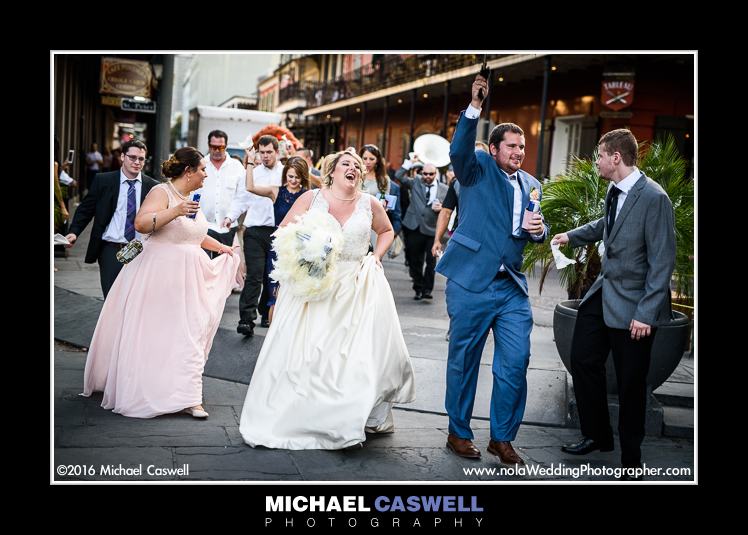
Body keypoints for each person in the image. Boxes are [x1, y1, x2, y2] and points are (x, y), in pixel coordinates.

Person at [239, 149, 416, 450]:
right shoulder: (312, 199)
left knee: (352, 354)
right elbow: (284, 233)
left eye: (357, 166)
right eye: (346, 164)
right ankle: (305, 411)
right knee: (311, 351)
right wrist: (306, 252)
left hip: (355, 285)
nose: (354, 168)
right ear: (331, 171)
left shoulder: (368, 202)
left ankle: (347, 412)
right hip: (314, 284)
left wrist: (377, 255)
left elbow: (385, 231)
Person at [436, 74, 548, 465]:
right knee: (464, 360)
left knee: (516, 361)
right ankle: (458, 432)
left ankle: (502, 437)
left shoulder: (533, 184)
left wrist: (540, 229)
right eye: (512, 146)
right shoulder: (478, 168)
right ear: (496, 148)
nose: (518, 152)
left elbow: (538, 225)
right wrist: (475, 108)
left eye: (522, 146)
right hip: (471, 282)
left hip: (511, 289)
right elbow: (459, 150)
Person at [80, 147, 241, 419]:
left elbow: (194, 235)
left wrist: (222, 247)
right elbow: (141, 224)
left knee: (191, 332)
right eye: (202, 169)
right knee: (159, 333)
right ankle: (151, 387)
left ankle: (189, 397)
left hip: (190, 277)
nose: (205, 174)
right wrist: (175, 211)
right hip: (160, 275)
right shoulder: (161, 193)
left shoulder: (191, 197)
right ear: (188, 171)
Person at [553, 129, 676, 480]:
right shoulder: (615, 189)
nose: (596, 163)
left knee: (631, 383)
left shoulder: (655, 198)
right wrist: (571, 236)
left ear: (615, 158)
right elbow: (607, 225)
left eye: (599, 157)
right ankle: (597, 435)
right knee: (582, 358)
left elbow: (663, 262)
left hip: (637, 306)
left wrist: (646, 313)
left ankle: (631, 458)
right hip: (605, 292)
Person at [65, 140, 159, 298]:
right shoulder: (104, 180)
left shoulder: (153, 186)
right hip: (111, 249)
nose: (137, 162)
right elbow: (86, 209)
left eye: (141, 159)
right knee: (111, 300)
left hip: (141, 250)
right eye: (132, 157)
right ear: (122, 156)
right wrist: (74, 232)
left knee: (136, 300)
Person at [225, 135, 283, 336]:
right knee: (254, 276)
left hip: (279, 231)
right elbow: (241, 200)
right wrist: (230, 217)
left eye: (269, 152)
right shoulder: (252, 174)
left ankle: (268, 313)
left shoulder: (285, 173)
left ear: (277, 152)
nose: (266, 156)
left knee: (273, 276)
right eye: (262, 152)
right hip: (255, 230)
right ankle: (246, 320)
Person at [244, 151, 309, 325]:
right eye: (290, 176)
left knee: (295, 296)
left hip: (299, 250)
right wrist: (250, 162)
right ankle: (272, 339)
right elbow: (250, 187)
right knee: (275, 296)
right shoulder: (276, 191)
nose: (294, 180)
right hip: (278, 249)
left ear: (303, 177)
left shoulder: (308, 195)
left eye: (298, 177)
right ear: (285, 174)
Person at [398, 161, 447, 300]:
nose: (427, 176)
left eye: (430, 174)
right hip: (414, 227)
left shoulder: (444, 188)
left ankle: (427, 290)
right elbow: (399, 175)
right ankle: (418, 287)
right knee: (415, 260)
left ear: (435, 173)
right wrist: (410, 163)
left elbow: (450, 207)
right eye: (424, 173)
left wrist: (442, 207)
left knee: (431, 262)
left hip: (433, 229)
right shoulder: (416, 182)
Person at [196, 130, 247, 259]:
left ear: (226, 146)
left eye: (221, 147)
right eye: (214, 147)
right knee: (202, 265)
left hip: (227, 228)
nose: (217, 150)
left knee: (224, 267)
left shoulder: (237, 166)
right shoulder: (200, 165)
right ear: (208, 146)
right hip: (203, 226)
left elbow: (242, 197)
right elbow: (193, 193)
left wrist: (230, 217)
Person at [361, 144, 402, 240]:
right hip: (355, 218)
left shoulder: (383, 179)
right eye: (365, 158)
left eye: (371, 159)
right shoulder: (356, 175)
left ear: (377, 161)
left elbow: (385, 200)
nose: (367, 162)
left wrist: (384, 205)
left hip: (375, 222)